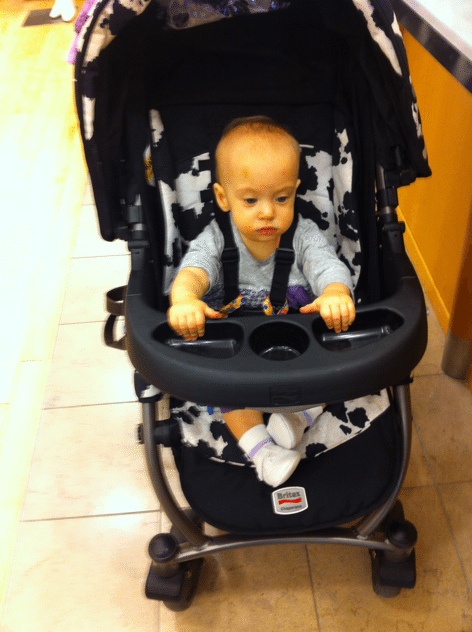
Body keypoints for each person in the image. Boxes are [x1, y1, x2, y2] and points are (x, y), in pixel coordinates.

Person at [167, 116, 356, 487]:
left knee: (338, 365)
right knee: (224, 388)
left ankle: (298, 417)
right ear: (223, 198)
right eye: (251, 200)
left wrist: (335, 292)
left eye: (281, 198)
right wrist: (185, 298)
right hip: (237, 349)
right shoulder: (216, 238)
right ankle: (262, 452)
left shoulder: (303, 235)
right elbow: (194, 270)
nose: (268, 211)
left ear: (296, 192)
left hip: (296, 339)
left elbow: (327, 265)